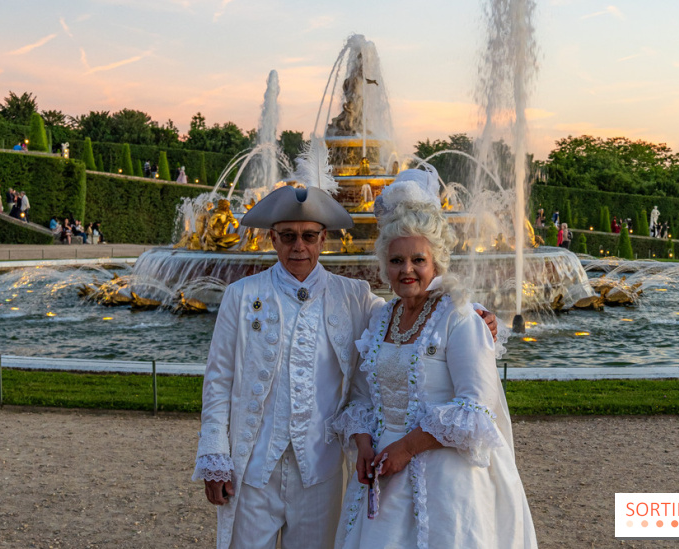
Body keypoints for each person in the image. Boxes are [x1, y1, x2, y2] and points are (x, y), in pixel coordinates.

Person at [193, 168, 498, 549]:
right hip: (252, 467)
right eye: (287, 236)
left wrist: (476, 311)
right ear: (272, 238)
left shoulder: (353, 296)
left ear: (324, 239)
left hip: (318, 471)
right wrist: (214, 456)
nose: (298, 247)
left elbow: (416, 304)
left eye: (308, 236)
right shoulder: (240, 296)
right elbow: (218, 381)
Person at [331, 174, 536, 549]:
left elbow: (476, 410)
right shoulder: (380, 319)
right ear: (384, 265)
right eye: (396, 260)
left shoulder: (460, 318)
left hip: (443, 477)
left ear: (437, 261)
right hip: (382, 470)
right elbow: (362, 397)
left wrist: (407, 448)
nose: (406, 269)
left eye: (417, 260)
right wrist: (362, 445)